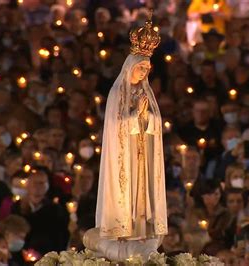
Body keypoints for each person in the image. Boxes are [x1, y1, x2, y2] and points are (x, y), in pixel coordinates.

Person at [95, 14, 168, 242]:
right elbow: (115, 125)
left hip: (142, 150)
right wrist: (136, 116)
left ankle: (142, 227)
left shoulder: (146, 92)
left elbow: (155, 122)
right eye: (140, 68)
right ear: (130, 67)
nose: (144, 72)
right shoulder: (118, 92)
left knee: (142, 190)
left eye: (147, 69)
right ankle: (121, 228)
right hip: (124, 153)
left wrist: (147, 118)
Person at [10, 168, 69, 255]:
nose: (37, 186)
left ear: (47, 186)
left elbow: (60, 235)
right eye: (34, 183)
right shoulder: (17, 207)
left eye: (41, 183)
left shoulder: (55, 209)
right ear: (28, 185)